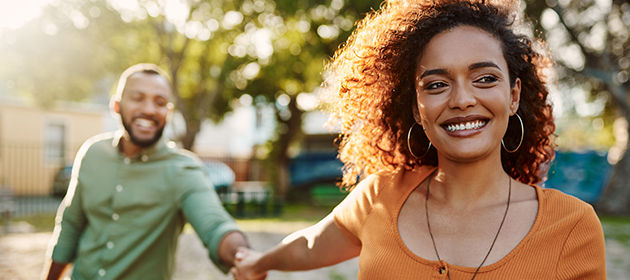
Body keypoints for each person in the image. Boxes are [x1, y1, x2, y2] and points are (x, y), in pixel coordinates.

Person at [231, 0, 606, 279]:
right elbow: (310, 245)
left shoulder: (572, 226)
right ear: (415, 107)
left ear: (513, 95)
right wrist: (257, 264)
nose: (462, 100)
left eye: (485, 79)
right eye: (437, 85)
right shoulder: (380, 197)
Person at [44, 63, 249, 279]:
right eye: (137, 98)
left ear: (168, 113)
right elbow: (71, 225)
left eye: (160, 102)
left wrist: (241, 255)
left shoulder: (183, 170)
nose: (149, 109)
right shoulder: (92, 153)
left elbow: (215, 226)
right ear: (116, 106)